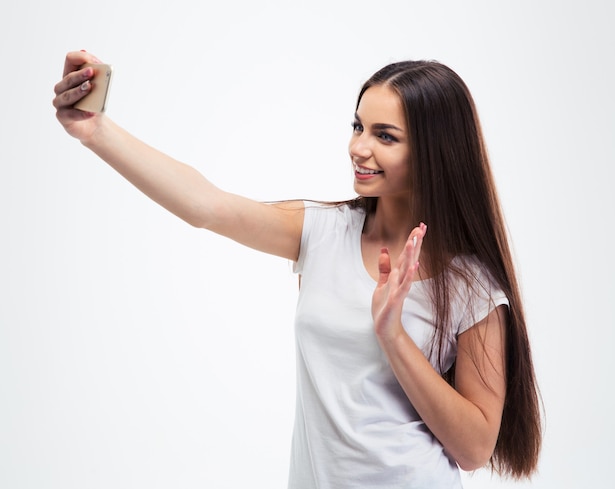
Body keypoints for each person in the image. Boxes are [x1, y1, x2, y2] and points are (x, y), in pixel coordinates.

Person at [53, 51, 542, 488]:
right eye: (357, 126)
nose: (359, 147)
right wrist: (97, 131)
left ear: (433, 152)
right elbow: (208, 206)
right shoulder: (324, 233)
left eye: (384, 136)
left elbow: (475, 449)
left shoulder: (471, 284)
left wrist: (393, 336)